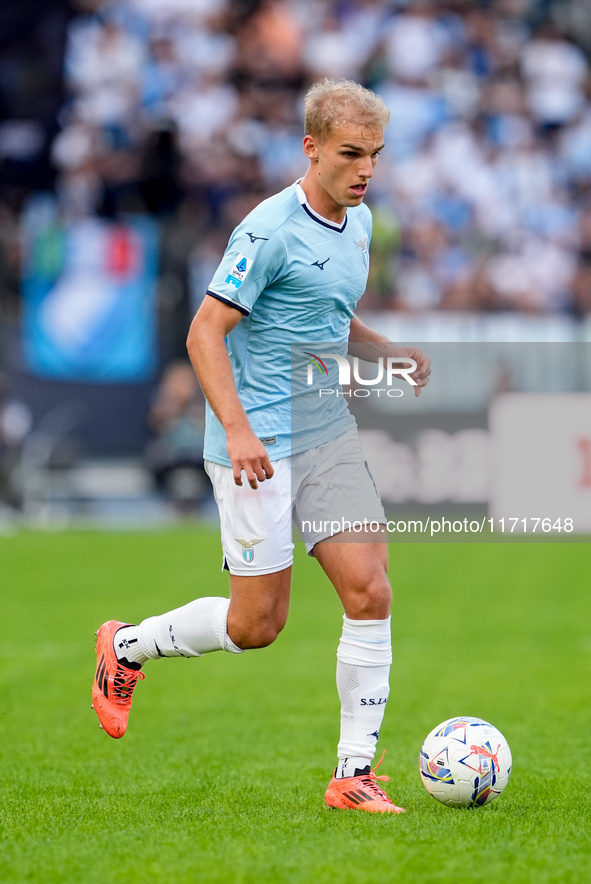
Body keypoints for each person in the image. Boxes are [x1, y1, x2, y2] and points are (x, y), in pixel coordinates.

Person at [92, 79, 431, 814]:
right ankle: (125, 648)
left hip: (325, 431)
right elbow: (202, 332)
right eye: (349, 154)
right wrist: (239, 429)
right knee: (256, 627)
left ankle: (353, 774)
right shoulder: (268, 230)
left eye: (374, 155)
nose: (364, 169)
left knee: (370, 590)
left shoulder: (361, 222)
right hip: (257, 444)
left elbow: (326, 319)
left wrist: (383, 352)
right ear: (310, 149)